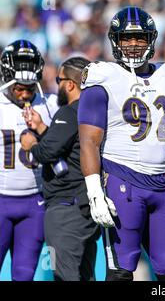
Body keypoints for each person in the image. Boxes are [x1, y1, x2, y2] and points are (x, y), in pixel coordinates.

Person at [77, 6, 165, 281]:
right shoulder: (103, 77)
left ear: (152, 40)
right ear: (115, 41)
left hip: (163, 188)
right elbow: (88, 141)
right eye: (126, 38)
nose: (133, 45)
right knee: (121, 273)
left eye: (140, 38)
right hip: (123, 183)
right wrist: (95, 192)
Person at [20, 56, 101, 281]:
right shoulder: (95, 113)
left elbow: (47, 153)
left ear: (70, 84)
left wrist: (31, 144)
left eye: (59, 80)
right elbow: (70, 148)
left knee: (63, 275)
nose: (57, 85)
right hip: (86, 207)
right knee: (86, 275)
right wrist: (42, 128)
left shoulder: (68, 112)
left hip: (66, 208)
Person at [0, 39, 58, 280]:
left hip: (35, 202)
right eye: (18, 87)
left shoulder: (50, 105)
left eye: (29, 86)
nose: (24, 93)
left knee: (24, 275)